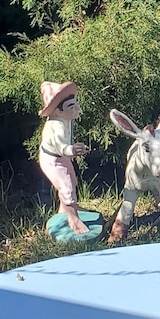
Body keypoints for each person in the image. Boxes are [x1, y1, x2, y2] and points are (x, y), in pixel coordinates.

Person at [38, 80, 101, 240]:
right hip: (52, 159)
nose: (76, 109)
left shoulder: (65, 118)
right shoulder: (56, 126)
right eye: (71, 107)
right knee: (65, 186)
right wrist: (71, 149)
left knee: (71, 181)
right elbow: (60, 146)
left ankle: (64, 209)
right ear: (58, 111)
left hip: (61, 156)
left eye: (76, 104)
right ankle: (73, 219)